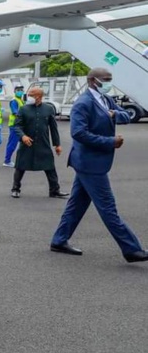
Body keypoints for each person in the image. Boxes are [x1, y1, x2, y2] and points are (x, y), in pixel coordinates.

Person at [50, 68, 148, 262]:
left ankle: (59, 240)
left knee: (77, 204)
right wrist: (110, 142)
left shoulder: (106, 99)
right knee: (108, 207)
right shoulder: (83, 103)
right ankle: (132, 249)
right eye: (106, 79)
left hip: (93, 162)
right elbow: (78, 133)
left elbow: (125, 116)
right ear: (92, 81)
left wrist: (114, 114)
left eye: (110, 79)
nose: (109, 83)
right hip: (89, 163)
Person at [10, 87, 69, 199]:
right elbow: (17, 126)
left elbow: (53, 128)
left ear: (39, 96)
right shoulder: (23, 109)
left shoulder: (48, 109)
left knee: (50, 167)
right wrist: (23, 136)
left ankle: (54, 191)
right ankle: (15, 189)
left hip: (43, 143)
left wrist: (57, 145)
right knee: (20, 166)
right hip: (27, 143)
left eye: (31, 95)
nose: (28, 96)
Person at [2, 85, 26, 167]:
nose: (20, 91)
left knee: (24, 143)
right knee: (12, 143)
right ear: (14, 91)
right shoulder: (14, 101)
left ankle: (22, 159)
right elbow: (15, 113)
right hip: (14, 125)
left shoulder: (21, 100)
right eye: (18, 90)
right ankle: (7, 161)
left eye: (21, 90)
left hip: (20, 125)